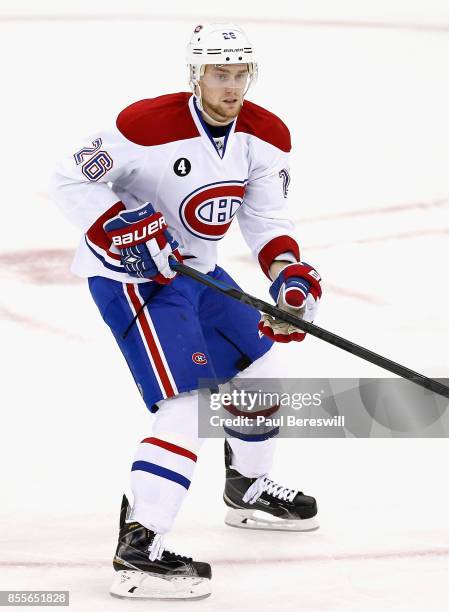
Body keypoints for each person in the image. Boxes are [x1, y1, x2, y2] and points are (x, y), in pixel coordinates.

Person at [50, 23, 322, 601]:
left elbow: (267, 222)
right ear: (196, 74)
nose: (231, 86)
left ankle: (245, 489)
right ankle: (139, 550)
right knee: (188, 405)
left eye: (239, 73)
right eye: (219, 74)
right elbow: (70, 177)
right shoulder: (146, 127)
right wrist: (117, 228)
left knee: (262, 368)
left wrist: (290, 281)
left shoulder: (265, 134)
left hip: (198, 271)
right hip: (134, 280)